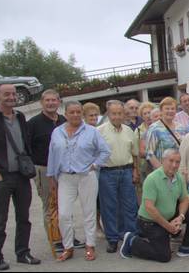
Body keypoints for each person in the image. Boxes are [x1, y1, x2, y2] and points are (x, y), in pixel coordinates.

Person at [48, 100, 111, 262]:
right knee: (63, 214)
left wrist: (95, 165)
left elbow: (105, 151)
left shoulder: (91, 131)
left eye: (78, 112)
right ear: (66, 114)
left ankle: (90, 245)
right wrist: (51, 178)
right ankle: (68, 246)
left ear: (82, 114)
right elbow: (52, 155)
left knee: (89, 212)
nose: (75, 115)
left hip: (86, 176)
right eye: (72, 112)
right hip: (65, 177)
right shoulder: (57, 132)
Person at [0, 84, 41, 270]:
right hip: (1, 176)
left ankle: (23, 253)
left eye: (13, 94)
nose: (11, 97)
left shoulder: (20, 117)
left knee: (24, 218)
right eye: (6, 94)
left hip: (21, 176)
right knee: (0, 220)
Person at [119, 149, 189, 261]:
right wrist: (168, 226)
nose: (174, 165)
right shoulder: (152, 179)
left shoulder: (178, 177)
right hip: (149, 222)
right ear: (163, 160)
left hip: (168, 217)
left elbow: (184, 200)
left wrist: (180, 217)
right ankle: (131, 241)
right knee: (164, 256)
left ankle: (187, 247)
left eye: (177, 162)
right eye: (171, 161)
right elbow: (150, 208)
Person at [97, 100, 140, 253]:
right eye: (113, 113)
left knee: (130, 205)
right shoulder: (99, 131)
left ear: (124, 114)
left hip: (127, 171)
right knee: (109, 207)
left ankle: (130, 237)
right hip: (107, 172)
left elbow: (134, 153)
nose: (117, 116)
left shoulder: (129, 130)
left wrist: (135, 171)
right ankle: (113, 239)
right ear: (108, 114)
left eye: (120, 113)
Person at [27, 89, 67, 252]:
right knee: (50, 205)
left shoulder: (64, 120)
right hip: (43, 169)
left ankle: (66, 234)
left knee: (64, 204)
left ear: (59, 102)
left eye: (54, 100)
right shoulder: (33, 123)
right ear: (42, 103)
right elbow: (26, 147)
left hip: (64, 170)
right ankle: (55, 238)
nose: (51, 103)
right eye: (47, 100)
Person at [146, 97, 182, 171]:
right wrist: (162, 171)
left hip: (179, 171)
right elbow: (150, 153)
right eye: (167, 108)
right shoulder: (154, 128)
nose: (170, 111)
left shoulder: (181, 127)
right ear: (161, 111)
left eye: (172, 109)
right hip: (162, 171)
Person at [134, 102, 155, 198]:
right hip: (145, 166)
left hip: (160, 164)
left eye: (149, 112)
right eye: (145, 113)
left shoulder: (159, 126)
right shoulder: (138, 130)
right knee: (147, 192)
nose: (148, 116)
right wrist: (136, 169)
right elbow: (136, 151)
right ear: (141, 116)